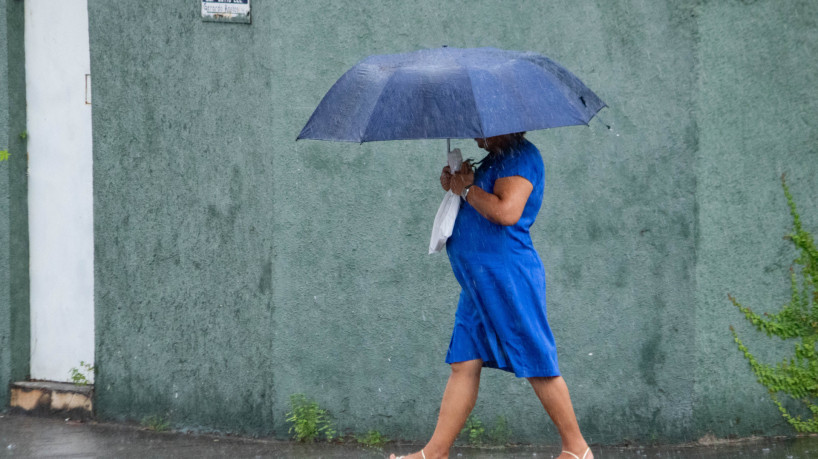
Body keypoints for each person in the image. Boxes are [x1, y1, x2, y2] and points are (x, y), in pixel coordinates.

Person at [391, 133, 592, 459]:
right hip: (479, 282)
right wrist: (459, 182)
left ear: (507, 124)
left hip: (507, 278)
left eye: (483, 126)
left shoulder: (521, 157)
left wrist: (468, 190)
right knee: (464, 363)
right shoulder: (495, 159)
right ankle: (435, 453)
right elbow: (478, 201)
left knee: (536, 360)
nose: (475, 133)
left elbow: (507, 212)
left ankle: (577, 449)